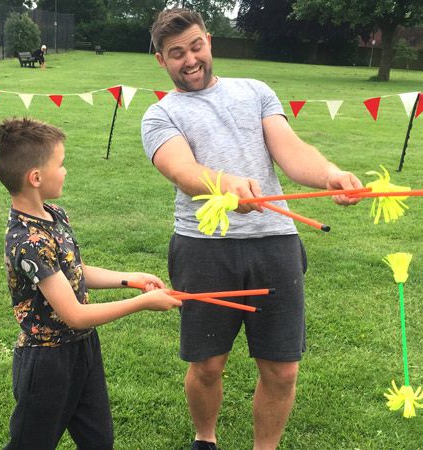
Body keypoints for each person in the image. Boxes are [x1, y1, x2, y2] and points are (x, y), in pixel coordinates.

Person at [141, 8, 363, 450]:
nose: (190, 60)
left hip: (275, 244)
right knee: (207, 365)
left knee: (282, 368)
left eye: (196, 46)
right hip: (204, 248)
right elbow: (182, 170)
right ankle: (206, 439)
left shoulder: (255, 92)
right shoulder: (159, 116)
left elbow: (292, 150)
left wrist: (330, 175)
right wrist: (225, 185)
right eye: (176, 53)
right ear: (160, 60)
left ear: (209, 40)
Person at [0, 117, 182, 450]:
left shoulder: (54, 214)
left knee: (98, 441)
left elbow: (75, 270)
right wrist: (143, 303)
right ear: (35, 177)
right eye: (60, 165)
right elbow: (74, 314)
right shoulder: (27, 241)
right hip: (47, 363)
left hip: (83, 350)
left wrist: (129, 280)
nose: (65, 171)